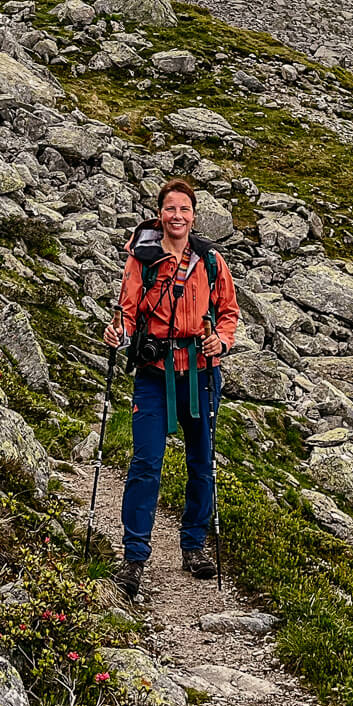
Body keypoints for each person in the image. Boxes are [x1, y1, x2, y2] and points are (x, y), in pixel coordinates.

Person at [102, 176, 239, 599]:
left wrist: (223, 340)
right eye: (170, 209)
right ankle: (135, 556)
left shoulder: (211, 261)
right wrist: (118, 333)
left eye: (184, 209)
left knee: (202, 463)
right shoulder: (141, 259)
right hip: (154, 372)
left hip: (201, 373)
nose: (177, 216)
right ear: (160, 214)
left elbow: (229, 312)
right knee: (146, 463)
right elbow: (127, 311)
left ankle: (194, 546)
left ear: (194, 216)